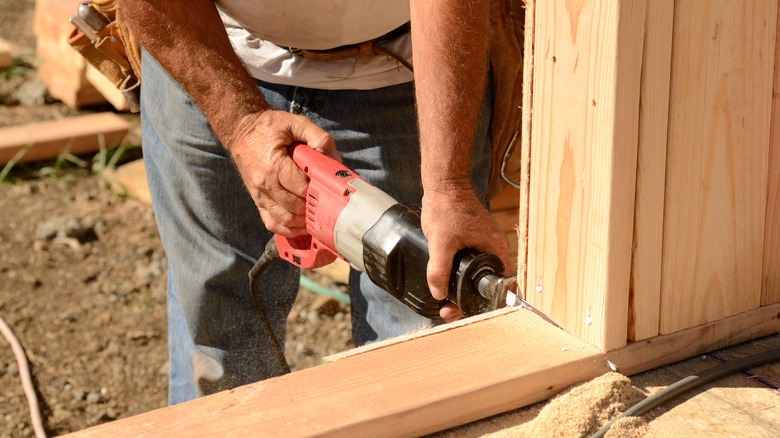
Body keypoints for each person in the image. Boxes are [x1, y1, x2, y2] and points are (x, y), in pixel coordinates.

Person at [118, 0, 510, 404]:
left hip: (406, 73)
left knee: (416, 365)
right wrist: (240, 124)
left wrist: (447, 186)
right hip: (204, 50)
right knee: (217, 345)